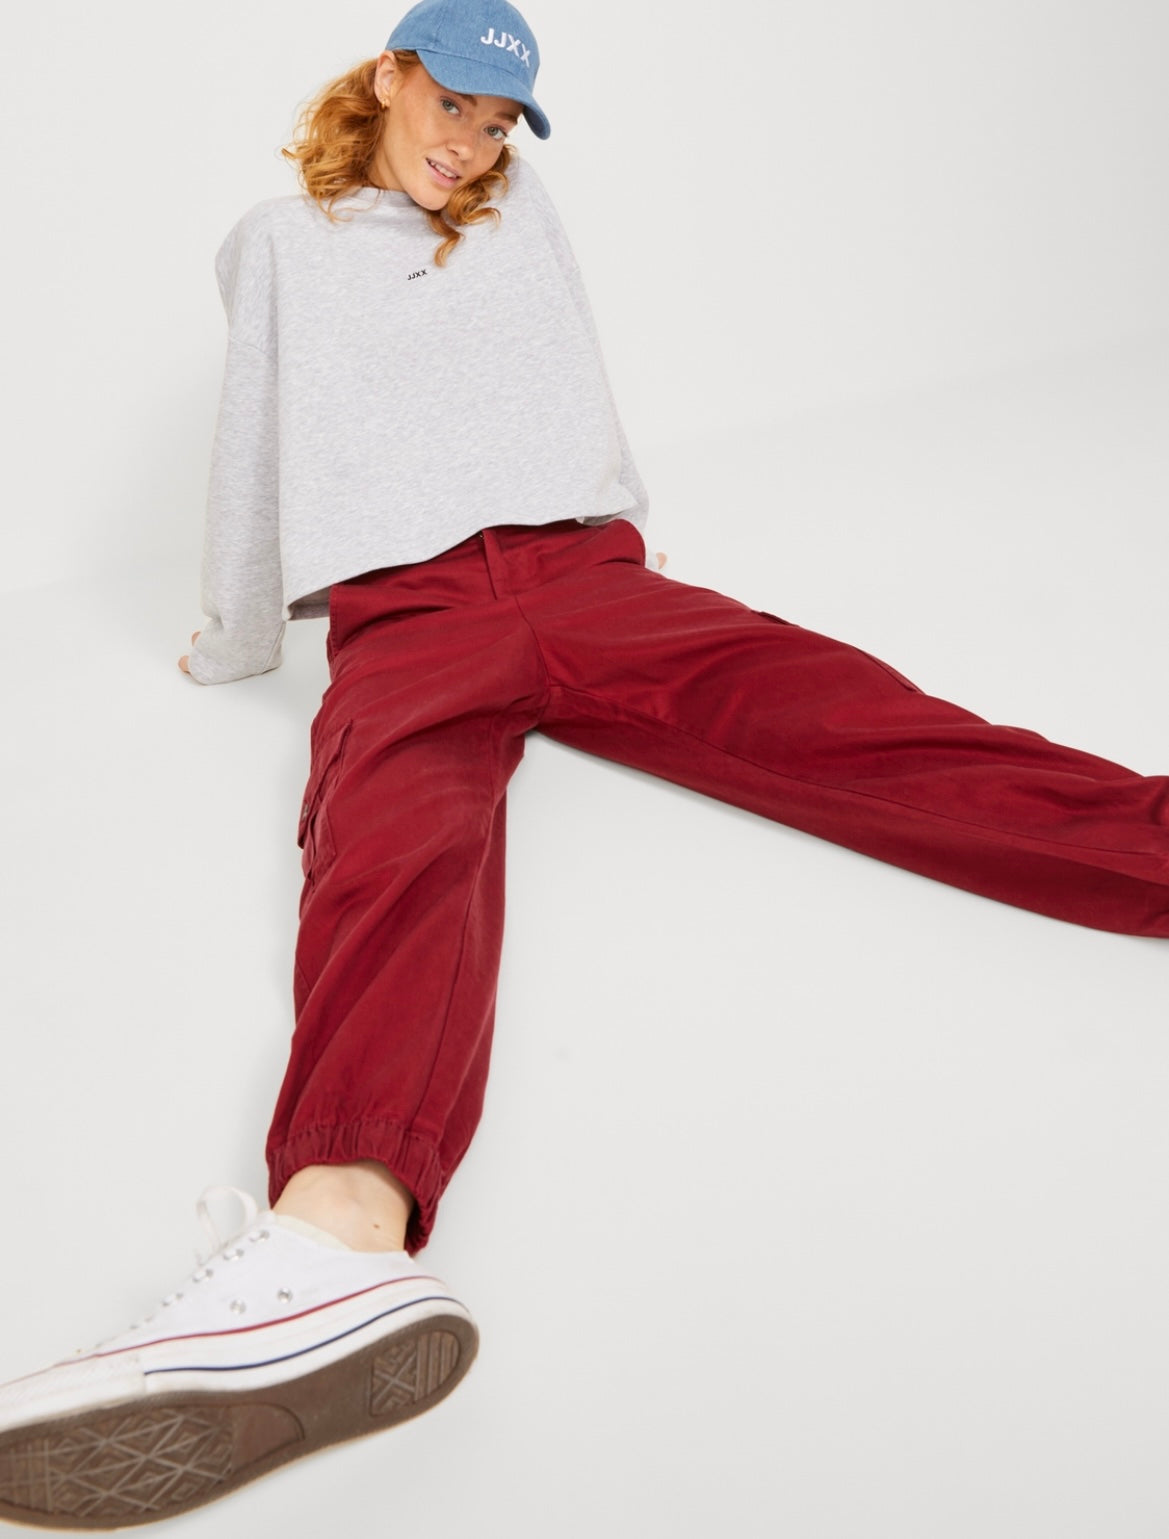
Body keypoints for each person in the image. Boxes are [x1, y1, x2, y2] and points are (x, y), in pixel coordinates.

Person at [0, 0, 1166, 1528]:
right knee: (386, 856)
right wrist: (234, 637)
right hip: (408, 613)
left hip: (583, 576)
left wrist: (621, 519)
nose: (474, 144)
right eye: (456, 107)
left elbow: (569, 366)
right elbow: (254, 438)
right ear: (388, 77)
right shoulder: (275, 241)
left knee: (865, 728)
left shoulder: (517, 206)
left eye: (499, 123)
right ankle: (334, 1252)